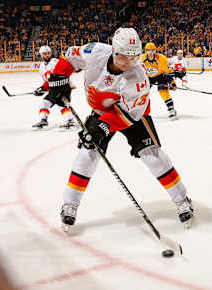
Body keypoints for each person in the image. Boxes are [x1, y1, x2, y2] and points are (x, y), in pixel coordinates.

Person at [46, 28, 193, 231]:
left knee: (151, 153)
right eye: (123, 56)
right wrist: (58, 77)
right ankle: (70, 204)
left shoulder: (138, 77)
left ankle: (182, 199)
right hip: (100, 111)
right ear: (114, 50)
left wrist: (104, 127)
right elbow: (70, 57)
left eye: (133, 57)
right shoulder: (95, 51)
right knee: (88, 151)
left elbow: (129, 114)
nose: (128, 62)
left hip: (131, 114)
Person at [32, 45, 75, 130]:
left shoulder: (55, 62)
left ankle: (70, 121)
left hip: (63, 87)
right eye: (44, 54)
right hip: (53, 89)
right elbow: (48, 82)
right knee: (44, 103)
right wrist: (41, 89)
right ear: (41, 55)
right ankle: (43, 120)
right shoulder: (41, 67)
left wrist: (70, 85)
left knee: (61, 104)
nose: (47, 55)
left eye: (48, 53)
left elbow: (63, 75)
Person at [141, 42, 178, 120]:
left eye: (152, 50)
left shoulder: (161, 58)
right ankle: (139, 110)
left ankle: (171, 109)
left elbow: (168, 72)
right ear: (145, 51)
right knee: (142, 92)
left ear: (155, 51)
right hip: (148, 77)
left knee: (163, 91)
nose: (150, 52)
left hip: (160, 76)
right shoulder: (141, 59)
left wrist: (172, 83)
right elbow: (138, 72)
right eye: (148, 50)